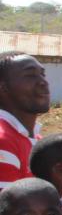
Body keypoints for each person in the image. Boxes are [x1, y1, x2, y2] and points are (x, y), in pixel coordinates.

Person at [0, 51, 50, 190]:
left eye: (42, 74)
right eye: (30, 75)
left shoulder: (37, 140)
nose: (43, 82)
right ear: (3, 88)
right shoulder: (3, 140)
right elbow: (7, 203)